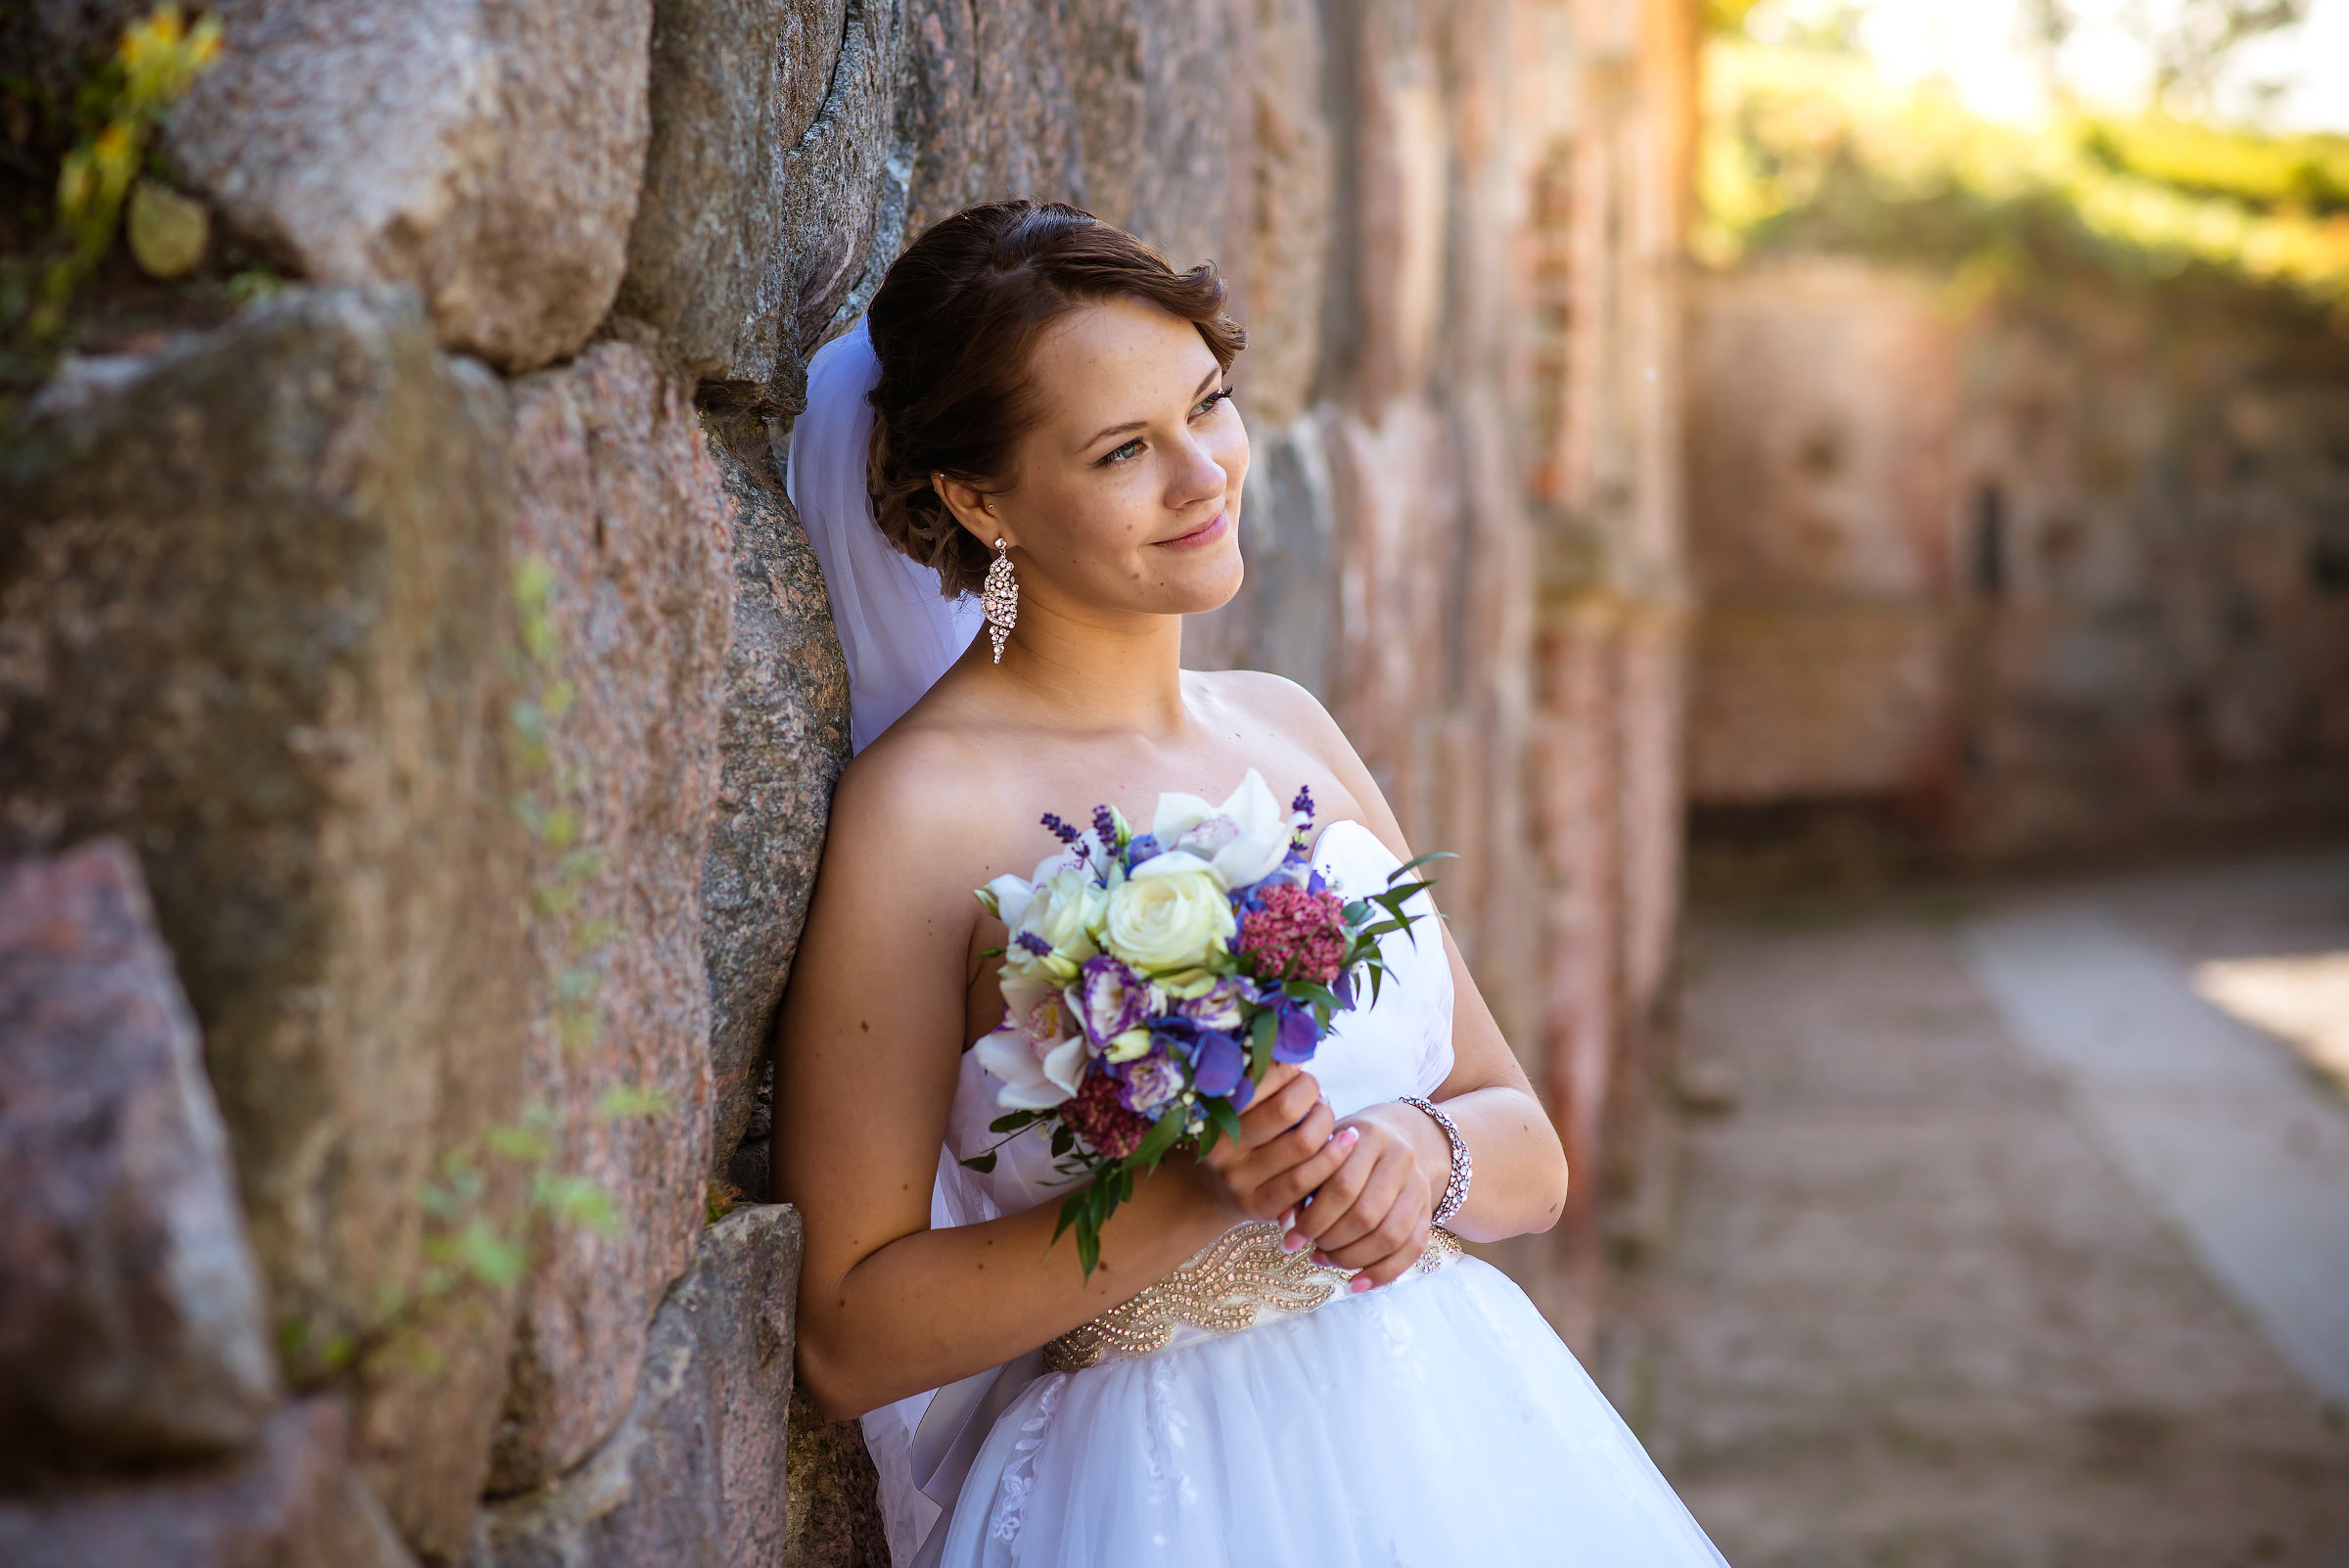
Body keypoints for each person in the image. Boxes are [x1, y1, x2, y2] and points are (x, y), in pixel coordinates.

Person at [775, 198, 1729, 1568]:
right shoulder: (919, 816)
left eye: (1208, 404)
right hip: (1162, 1490)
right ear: (979, 499)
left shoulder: (1286, 726)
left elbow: (1527, 1141)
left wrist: (1420, 1154)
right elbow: (848, 1333)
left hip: (1458, 1436)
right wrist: (1194, 1196)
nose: (1202, 473)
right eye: (1122, 450)